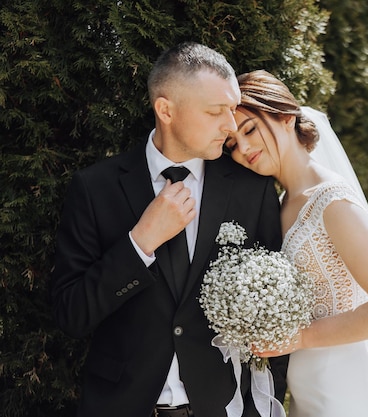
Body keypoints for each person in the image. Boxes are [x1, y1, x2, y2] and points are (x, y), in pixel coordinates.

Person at [49, 44, 288, 417]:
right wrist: (139, 242)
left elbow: (277, 317)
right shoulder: (96, 188)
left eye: (232, 108)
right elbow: (71, 315)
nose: (230, 125)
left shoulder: (251, 190)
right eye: (215, 112)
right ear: (166, 110)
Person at [225, 69, 368, 417]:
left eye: (249, 130)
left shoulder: (331, 202)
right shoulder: (281, 205)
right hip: (311, 387)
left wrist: (300, 338)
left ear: (286, 117)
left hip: (352, 385)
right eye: (232, 144)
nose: (243, 148)